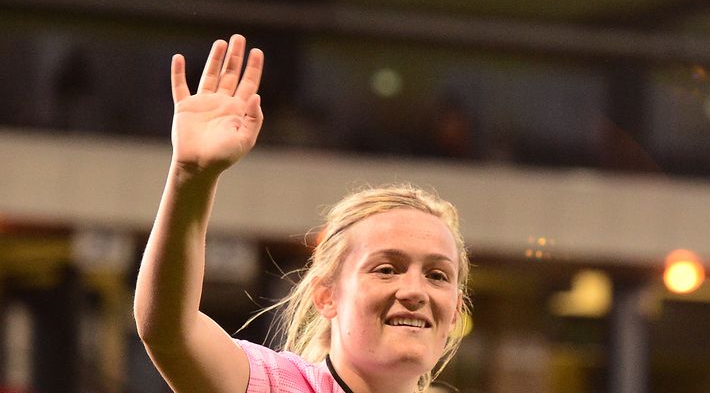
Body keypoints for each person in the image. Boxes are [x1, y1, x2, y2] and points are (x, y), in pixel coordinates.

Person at [133, 34, 471, 393]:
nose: (415, 291)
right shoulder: (277, 385)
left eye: (437, 275)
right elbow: (170, 331)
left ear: (454, 313)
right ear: (326, 296)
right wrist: (192, 178)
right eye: (386, 269)